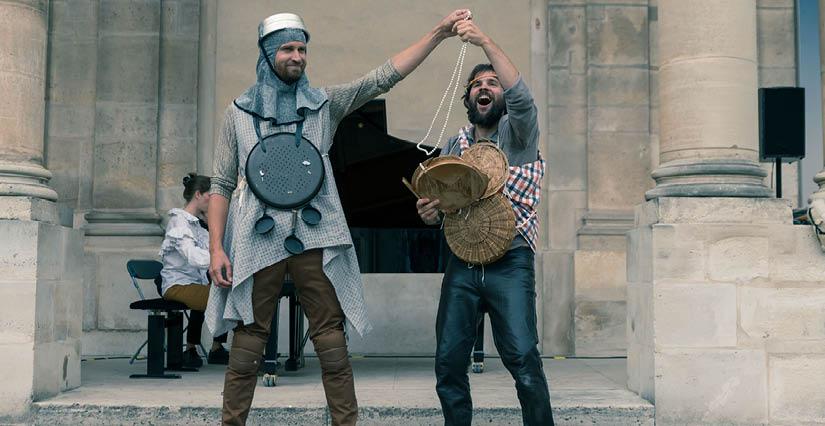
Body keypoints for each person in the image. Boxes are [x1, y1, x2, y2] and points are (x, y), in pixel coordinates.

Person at [205, 10, 472, 426]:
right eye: (289, 49)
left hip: (315, 236)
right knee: (248, 341)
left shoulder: (324, 106)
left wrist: (438, 33)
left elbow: (382, 77)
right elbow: (221, 183)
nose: (298, 57)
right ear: (268, 53)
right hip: (258, 240)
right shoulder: (238, 112)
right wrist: (216, 247)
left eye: (302, 49)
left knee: (331, 341)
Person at [415, 19, 554, 426]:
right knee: (448, 364)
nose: (485, 88)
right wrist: (430, 213)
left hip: (511, 262)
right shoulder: (454, 147)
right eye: (477, 84)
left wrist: (485, 42)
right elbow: (442, 207)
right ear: (468, 97)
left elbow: (524, 100)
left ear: (502, 96)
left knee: (524, 359)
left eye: (493, 83)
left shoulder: (520, 135)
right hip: (462, 266)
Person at [160, 173, 230, 368]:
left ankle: (198, 348)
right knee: (222, 293)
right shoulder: (179, 222)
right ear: (198, 195)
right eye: (210, 196)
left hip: (192, 283)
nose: (213, 201)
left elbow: (212, 250)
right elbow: (193, 257)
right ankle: (215, 348)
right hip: (176, 285)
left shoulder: (197, 224)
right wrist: (221, 259)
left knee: (218, 286)